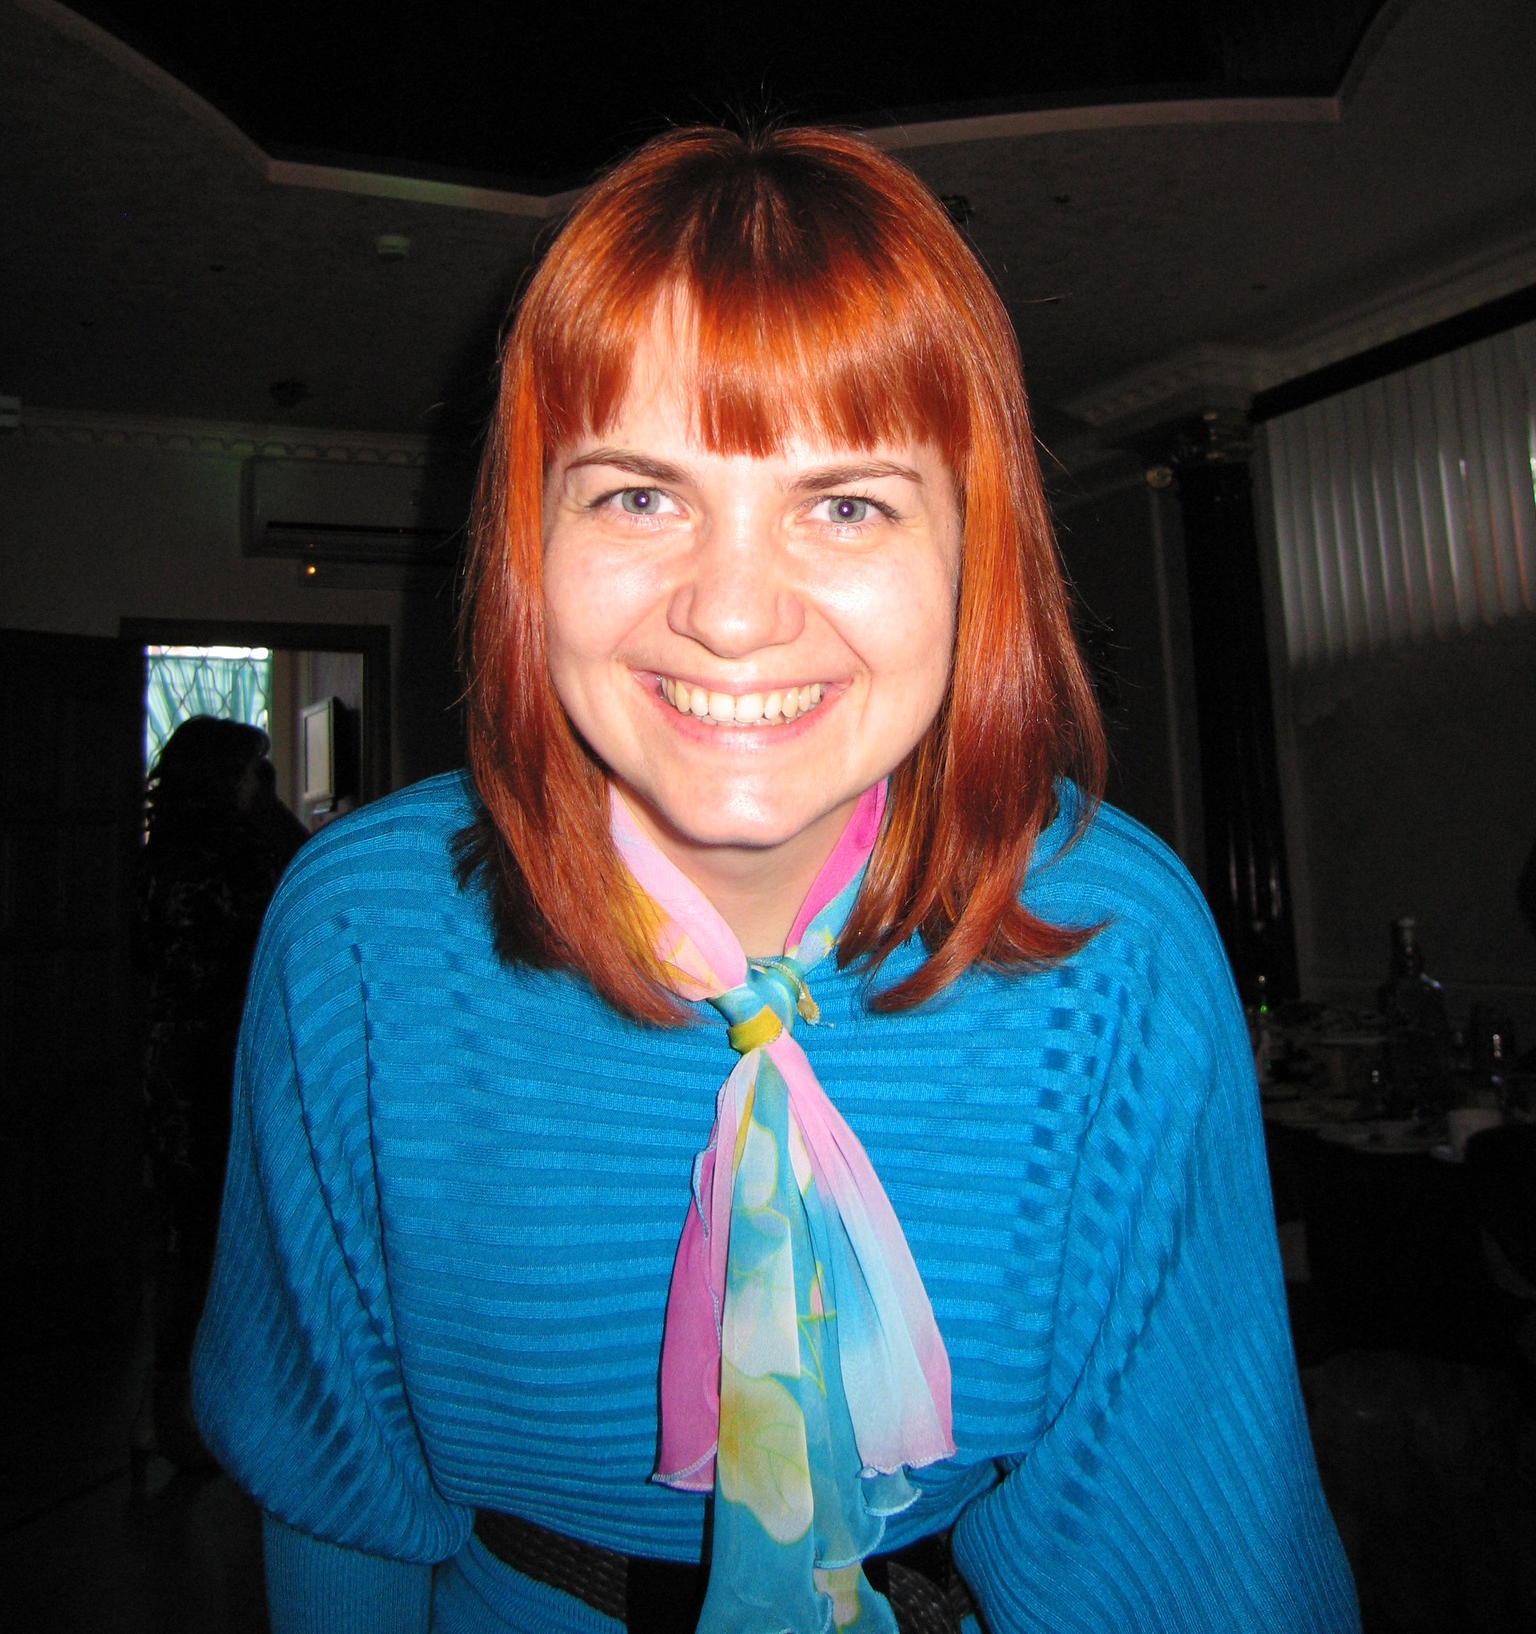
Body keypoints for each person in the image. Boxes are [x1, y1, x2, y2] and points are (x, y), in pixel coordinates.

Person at [193, 126, 1358, 1632]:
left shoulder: (1113, 950)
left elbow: (1184, 1554)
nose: (733, 615)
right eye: (638, 495)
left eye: (846, 502)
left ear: (974, 552)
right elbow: (334, 1501)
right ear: (529, 537)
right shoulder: (359, 940)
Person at [134, 714, 307, 1468]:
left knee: (191, 1240)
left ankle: (168, 1410)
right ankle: (193, 1416)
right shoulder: (241, 854)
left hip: (169, 1063)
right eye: (247, 772)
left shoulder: (157, 854)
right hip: (221, 1066)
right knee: (223, 1243)